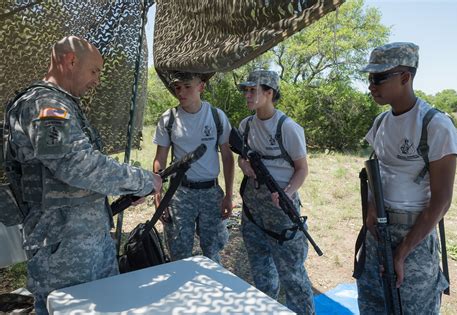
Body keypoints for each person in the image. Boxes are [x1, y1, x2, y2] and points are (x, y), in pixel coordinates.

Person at [3, 36, 162, 314]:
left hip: (83, 239)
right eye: (95, 70)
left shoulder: (62, 104)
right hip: (64, 247)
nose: (97, 80)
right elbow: (77, 164)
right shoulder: (44, 104)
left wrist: (125, 188)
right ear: (70, 61)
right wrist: (143, 180)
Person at [356, 42, 457, 314]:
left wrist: (401, 253)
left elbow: (441, 201)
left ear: (405, 77)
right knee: (373, 305)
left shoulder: (435, 125)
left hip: (415, 234)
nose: (371, 85)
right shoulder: (380, 123)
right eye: (369, 78)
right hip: (378, 230)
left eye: (378, 77)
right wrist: (370, 209)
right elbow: (374, 173)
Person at [237, 70, 314, 314]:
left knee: (292, 275)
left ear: (269, 93)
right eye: (246, 90)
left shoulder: (288, 128)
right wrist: (243, 165)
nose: (247, 95)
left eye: (253, 90)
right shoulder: (245, 125)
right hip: (252, 209)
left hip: (281, 209)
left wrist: (287, 192)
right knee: (261, 271)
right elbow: (241, 157)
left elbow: (302, 169)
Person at [152, 72, 234, 264]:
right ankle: (181, 291)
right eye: (178, 87)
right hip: (179, 193)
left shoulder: (216, 116)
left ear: (201, 87)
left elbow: (228, 158)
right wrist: (158, 195)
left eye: (187, 86)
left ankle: (211, 290)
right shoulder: (168, 119)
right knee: (179, 254)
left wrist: (229, 195)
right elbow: (160, 158)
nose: (181, 92)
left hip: (211, 193)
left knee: (212, 253)